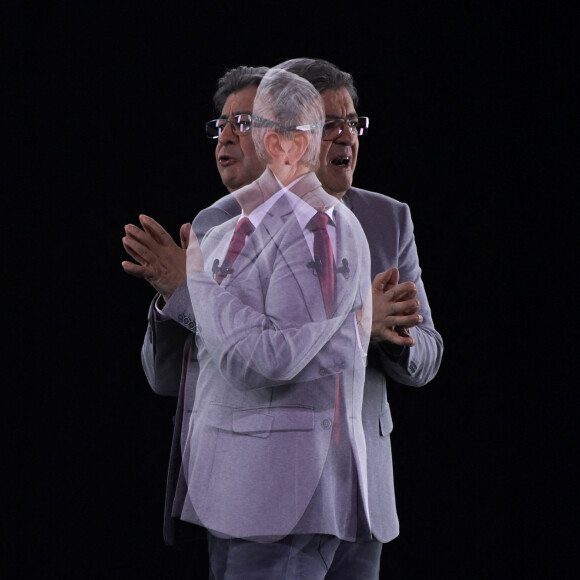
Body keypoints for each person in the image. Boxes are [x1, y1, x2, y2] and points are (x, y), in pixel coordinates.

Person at [122, 58, 443, 576]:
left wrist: (391, 334)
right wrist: (178, 293)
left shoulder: (387, 219)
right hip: (265, 495)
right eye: (330, 124)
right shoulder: (222, 224)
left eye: (352, 123)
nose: (346, 137)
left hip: (360, 499)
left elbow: (428, 353)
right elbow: (187, 371)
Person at [180, 67, 376, 577]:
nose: (229, 136)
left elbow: (267, 360)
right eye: (224, 124)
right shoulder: (219, 227)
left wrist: (193, 284)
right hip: (234, 490)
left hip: (290, 500)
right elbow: (175, 374)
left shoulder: (318, 225)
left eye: (244, 123)